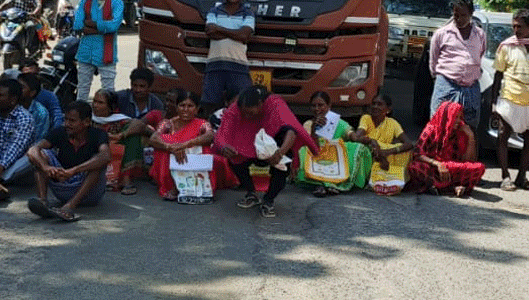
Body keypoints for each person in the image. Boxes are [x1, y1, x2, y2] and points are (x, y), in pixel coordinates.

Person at [214, 85, 315, 217]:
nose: (246, 116)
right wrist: (223, 147)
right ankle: (251, 192)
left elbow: (291, 130)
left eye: (250, 113)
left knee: (283, 167)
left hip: (276, 146)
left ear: (261, 104)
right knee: (234, 159)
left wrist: (280, 153)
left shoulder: (275, 104)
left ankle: (269, 200)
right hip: (248, 145)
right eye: (244, 113)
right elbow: (223, 132)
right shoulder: (236, 108)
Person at [491, 9, 529, 191]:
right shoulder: (506, 46)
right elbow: (498, 75)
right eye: (514, 26)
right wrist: (494, 102)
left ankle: (521, 176)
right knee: (503, 136)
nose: (516, 30)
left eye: (520, 26)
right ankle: (505, 176)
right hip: (509, 98)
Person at [25, 101, 110, 222]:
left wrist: (73, 171)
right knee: (40, 155)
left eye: (72, 121)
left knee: (98, 161)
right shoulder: (60, 132)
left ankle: (70, 206)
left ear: (86, 122)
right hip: (63, 185)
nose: (67, 124)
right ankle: (42, 201)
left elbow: (105, 156)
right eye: (66, 120)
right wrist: (45, 167)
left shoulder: (98, 135)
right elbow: (33, 150)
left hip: (90, 193)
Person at [149, 89, 238, 202]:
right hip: (174, 158)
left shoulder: (202, 123)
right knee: (164, 141)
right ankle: (172, 184)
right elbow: (153, 138)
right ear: (176, 107)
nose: (186, 110)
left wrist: (184, 145)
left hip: (193, 159)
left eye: (190, 106)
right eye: (182, 105)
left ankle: (196, 186)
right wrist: (170, 147)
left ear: (196, 109)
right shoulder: (167, 123)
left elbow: (210, 135)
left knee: (203, 147)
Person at [294, 91, 371, 196]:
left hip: (335, 158)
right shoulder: (309, 124)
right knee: (304, 150)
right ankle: (322, 184)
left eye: (320, 105)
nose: (317, 109)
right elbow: (310, 145)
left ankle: (330, 185)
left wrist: (364, 140)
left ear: (329, 106)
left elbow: (353, 137)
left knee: (353, 147)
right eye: (314, 106)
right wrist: (314, 130)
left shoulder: (339, 123)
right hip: (318, 155)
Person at [428, 0, 486, 127]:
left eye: (463, 15)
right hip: (446, 86)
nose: (458, 19)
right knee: (439, 124)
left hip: (470, 89)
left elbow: (480, 55)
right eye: (456, 15)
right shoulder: (441, 34)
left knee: (468, 127)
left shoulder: (480, 35)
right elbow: (433, 61)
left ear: (471, 13)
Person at [407, 101, 486, 197]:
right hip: (434, 167)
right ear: (446, 117)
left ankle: (438, 187)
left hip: (452, 168)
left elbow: (468, 161)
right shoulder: (432, 129)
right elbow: (417, 154)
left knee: (478, 167)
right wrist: (437, 164)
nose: (458, 121)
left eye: (459, 117)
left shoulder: (461, 131)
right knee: (414, 167)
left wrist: (470, 137)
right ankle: (451, 188)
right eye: (455, 117)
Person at [202, 0, 255, 110]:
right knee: (210, 103)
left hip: (238, 66)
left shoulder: (247, 13)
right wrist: (237, 34)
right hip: (215, 66)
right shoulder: (214, 11)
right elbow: (210, 32)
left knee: (242, 103)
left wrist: (220, 29)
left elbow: (244, 35)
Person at [74, 0, 125, 101]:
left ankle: (107, 120)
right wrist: (102, 27)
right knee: (82, 90)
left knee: (108, 93)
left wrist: (90, 24)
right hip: (85, 52)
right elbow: (78, 25)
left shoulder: (117, 3)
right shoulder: (84, 1)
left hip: (106, 54)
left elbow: (113, 26)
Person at [352, 92, 415, 196]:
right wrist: (373, 142)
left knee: (406, 152)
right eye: (374, 104)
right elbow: (357, 137)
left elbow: (409, 143)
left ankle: (393, 180)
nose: (375, 107)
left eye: (379, 104)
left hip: (385, 155)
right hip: (371, 154)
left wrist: (387, 151)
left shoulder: (392, 123)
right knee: (362, 148)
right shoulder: (366, 118)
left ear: (388, 110)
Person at [91, 88, 151, 195]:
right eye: (94, 101)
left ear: (111, 107)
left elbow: (142, 126)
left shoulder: (119, 119)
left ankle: (126, 179)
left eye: (100, 103)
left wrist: (121, 135)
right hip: (93, 153)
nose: (95, 105)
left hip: (115, 155)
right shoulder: (88, 117)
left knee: (134, 136)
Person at [0, 0, 43, 64]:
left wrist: (34, 13)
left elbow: (38, 6)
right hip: (13, 20)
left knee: (30, 26)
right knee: (2, 28)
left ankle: (28, 45)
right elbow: (5, 4)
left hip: (26, 20)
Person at [19, 58, 63, 126]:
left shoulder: (49, 96)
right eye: (27, 76)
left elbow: (57, 117)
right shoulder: (12, 96)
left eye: (34, 75)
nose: (31, 79)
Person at [17, 72, 54, 145]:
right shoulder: (9, 104)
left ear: (32, 93)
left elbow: (38, 141)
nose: (17, 89)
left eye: (22, 87)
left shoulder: (41, 113)